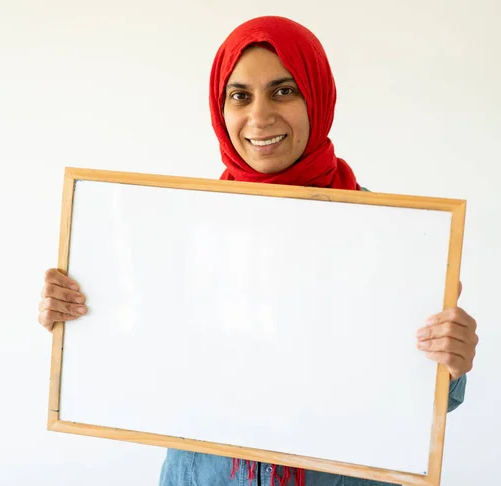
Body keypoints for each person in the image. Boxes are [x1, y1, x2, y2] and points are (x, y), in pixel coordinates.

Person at [38, 15, 478, 486]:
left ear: (318, 96)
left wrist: (451, 362)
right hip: (204, 476)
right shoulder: (174, 225)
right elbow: (141, 349)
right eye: (240, 95)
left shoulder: (393, 235)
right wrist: (78, 319)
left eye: (284, 90)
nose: (261, 116)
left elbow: (426, 398)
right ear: (219, 107)